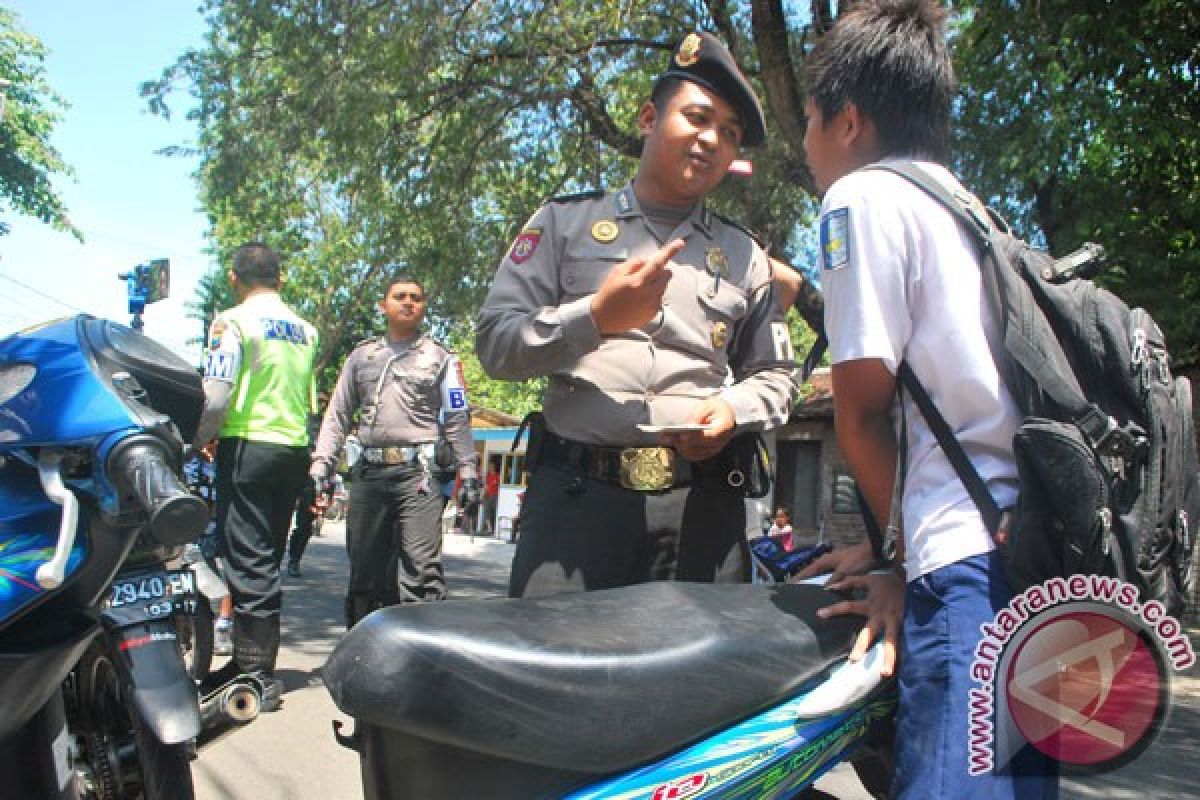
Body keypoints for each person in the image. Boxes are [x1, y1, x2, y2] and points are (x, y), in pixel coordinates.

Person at [795, 1, 1058, 796]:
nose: (804, 146)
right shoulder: (972, 209)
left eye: (807, 122)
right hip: (1031, 557)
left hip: (964, 574)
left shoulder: (862, 198)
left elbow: (863, 409)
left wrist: (895, 564)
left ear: (846, 120)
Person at [477, 31, 798, 598]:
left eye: (729, 133)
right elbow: (496, 345)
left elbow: (777, 376)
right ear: (650, 117)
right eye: (697, 118)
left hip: (702, 510)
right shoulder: (563, 223)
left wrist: (731, 408)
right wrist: (595, 317)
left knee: (697, 685)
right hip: (576, 507)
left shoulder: (747, 256)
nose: (711, 140)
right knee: (555, 675)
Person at [192, 242, 318, 710]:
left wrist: (197, 436)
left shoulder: (232, 322)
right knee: (267, 552)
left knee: (247, 558)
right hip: (291, 449)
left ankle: (254, 671)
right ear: (280, 279)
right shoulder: (306, 330)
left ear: (233, 278)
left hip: (247, 446)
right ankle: (253, 663)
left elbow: (218, 392)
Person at [311, 275, 477, 628]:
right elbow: (337, 415)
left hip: (419, 476)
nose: (408, 302)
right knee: (364, 571)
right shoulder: (362, 357)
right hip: (369, 475)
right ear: (383, 305)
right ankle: (362, 652)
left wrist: (470, 470)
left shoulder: (441, 358)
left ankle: (427, 656)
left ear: (424, 307)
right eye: (399, 296)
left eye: (416, 297)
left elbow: (457, 416)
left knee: (420, 571)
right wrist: (320, 466)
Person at [286, 391, 330, 578]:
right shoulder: (297, 417)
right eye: (318, 401)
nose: (321, 405)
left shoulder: (328, 425)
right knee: (281, 516)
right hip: (292, 470)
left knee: (305, 523)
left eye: (324, 402)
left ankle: (294, 559)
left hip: (314, 478)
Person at [482, 464, 500, 534]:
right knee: (487, 511)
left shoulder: (497, 476)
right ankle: (489, 529)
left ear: (494, 467)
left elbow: (499, 485)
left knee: (495, 511)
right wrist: (484, 494)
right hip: (488, 495)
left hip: (495, 495)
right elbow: (486, 486)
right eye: (489, 467)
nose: (490, 468)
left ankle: (494, 528)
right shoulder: (488, 476)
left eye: (491, 467)